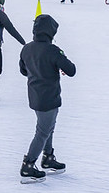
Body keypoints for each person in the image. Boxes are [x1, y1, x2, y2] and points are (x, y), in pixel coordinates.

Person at [18, 14, 77, 183]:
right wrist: (56, 64)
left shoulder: (27, 48)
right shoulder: (52, 50)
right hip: (49, 97)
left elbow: (23, 70)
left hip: (34, 95)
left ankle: (48, 158)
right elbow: (71, 70)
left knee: (48, 127)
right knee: (43, 131)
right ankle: (28, 165)